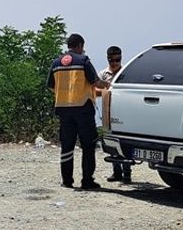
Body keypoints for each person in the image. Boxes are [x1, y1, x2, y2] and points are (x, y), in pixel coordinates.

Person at [48, 33, 109, 189]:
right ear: (80, 45)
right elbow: (96, 82)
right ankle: (87, 180)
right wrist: (107, 84)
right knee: (88, 145)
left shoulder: (56, 63)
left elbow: (51, 86)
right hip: (83, 109)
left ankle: (67, 181)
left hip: (63, 109)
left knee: (67, 146)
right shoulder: (83, 61)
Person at [100, 45, 132, 183]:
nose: (114, 63)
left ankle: (127, 172)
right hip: (109, 112)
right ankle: (116, 171)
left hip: (124, 112)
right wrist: (106, 90)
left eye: (117, 60)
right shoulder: (103, 74)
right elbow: (95, 90)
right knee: (112, 143)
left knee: (125, 142)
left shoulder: (126, 72)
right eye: (111, 60)